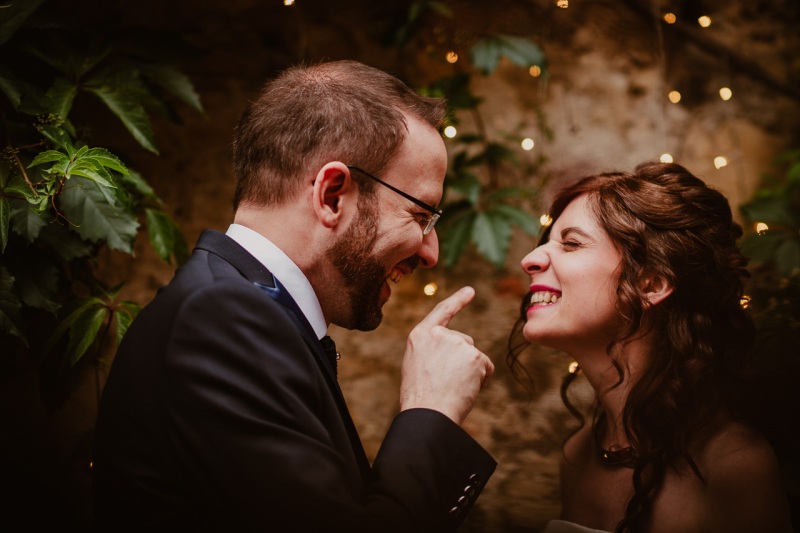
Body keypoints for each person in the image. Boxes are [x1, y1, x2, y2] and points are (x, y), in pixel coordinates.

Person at [92, 60, 496, 532]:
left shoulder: (244, 308)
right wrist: (432, 411)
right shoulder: (220, 318)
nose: (431, 252)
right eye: (421, 214)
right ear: (331, 195)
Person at [508, 162, 793, 532]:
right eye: (546, 242)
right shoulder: (578, 456)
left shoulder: (734, 466)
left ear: (651, 285)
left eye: (571, 243)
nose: (530, 259)